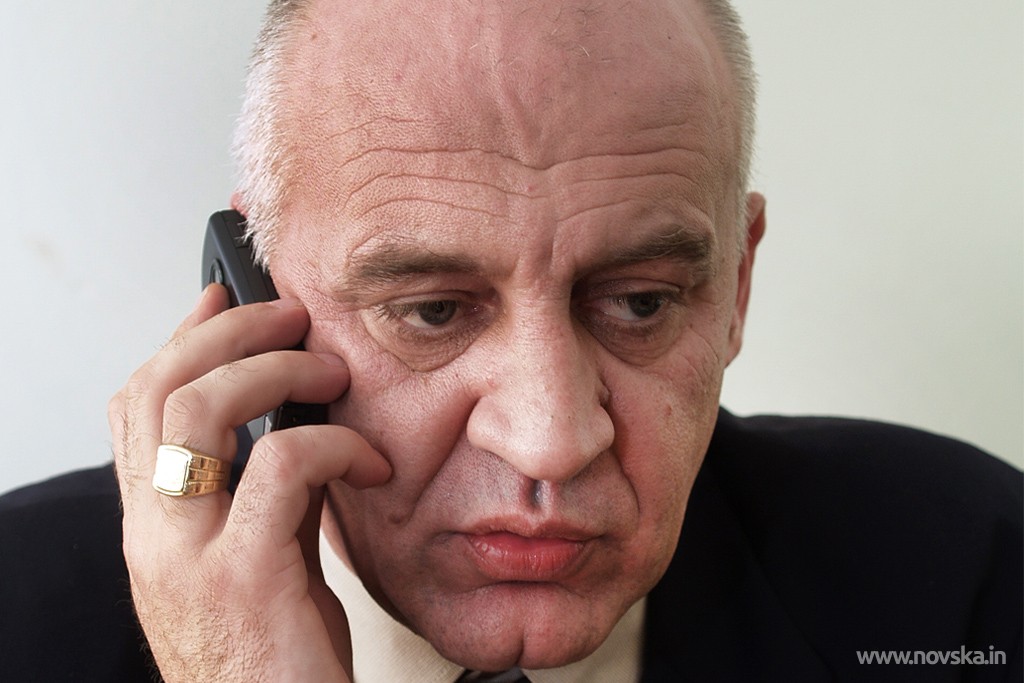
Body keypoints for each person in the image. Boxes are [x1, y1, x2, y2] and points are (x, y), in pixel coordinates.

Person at [0, 0, 1019, 681]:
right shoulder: (19, 619)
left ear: (736, 288)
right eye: (432, 311)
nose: (550, 441)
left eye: (641, 302)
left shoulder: (970, 573)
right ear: (248, 291)